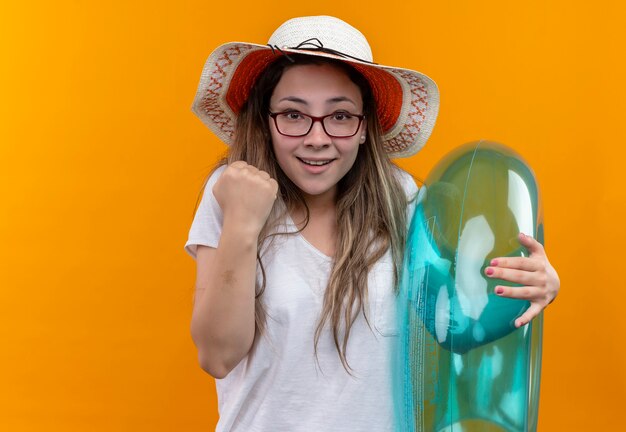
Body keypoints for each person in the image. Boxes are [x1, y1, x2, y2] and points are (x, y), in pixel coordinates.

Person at [184, 15, 560, 432]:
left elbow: (450, 327)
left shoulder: (402, 200)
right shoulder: (231, 192)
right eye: (293, 114)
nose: (317, 137)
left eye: (340, 116)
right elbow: (217, 355)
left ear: (365, 127)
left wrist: (527, 291)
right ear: (265, 121)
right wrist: (241, 221)